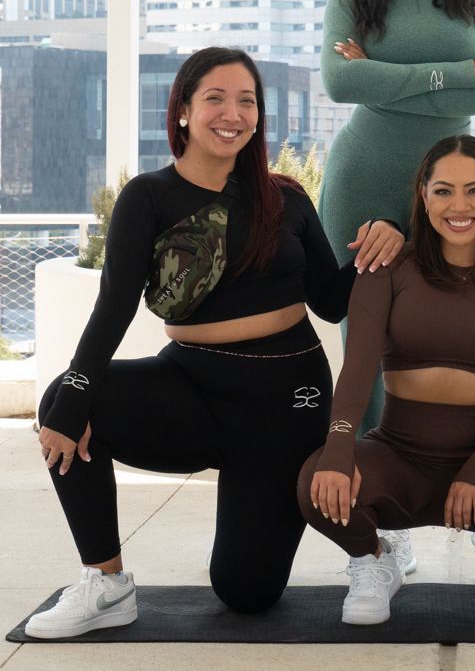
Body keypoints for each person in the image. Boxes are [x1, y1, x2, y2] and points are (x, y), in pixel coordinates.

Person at [27, 48, 403, 639]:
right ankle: (107, 584)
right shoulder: (147, 197)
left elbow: (332, 301)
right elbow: (115, 306)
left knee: (246, 594)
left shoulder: (285, 196)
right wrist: (75, 391)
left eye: (247, 101)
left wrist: (386, 234)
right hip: (192, 383)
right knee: (66, 401)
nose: (233, 113)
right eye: (216, 98)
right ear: (181, 111)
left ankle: (380, 554)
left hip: (287, 397)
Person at [318, 0, 475, 573]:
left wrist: (389, 80)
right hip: (364, 182)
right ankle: (376, 538)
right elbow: (342, 83)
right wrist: (456, 74)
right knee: (368, 351)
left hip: (454, 183)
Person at [300, 135, 475, 625]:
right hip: (397, 454)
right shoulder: (388, 267)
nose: (459, 206)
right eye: (443, 190)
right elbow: (359, 368)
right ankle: (375, 560)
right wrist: (339, 449)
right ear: (422, 196)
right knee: (314, 484)